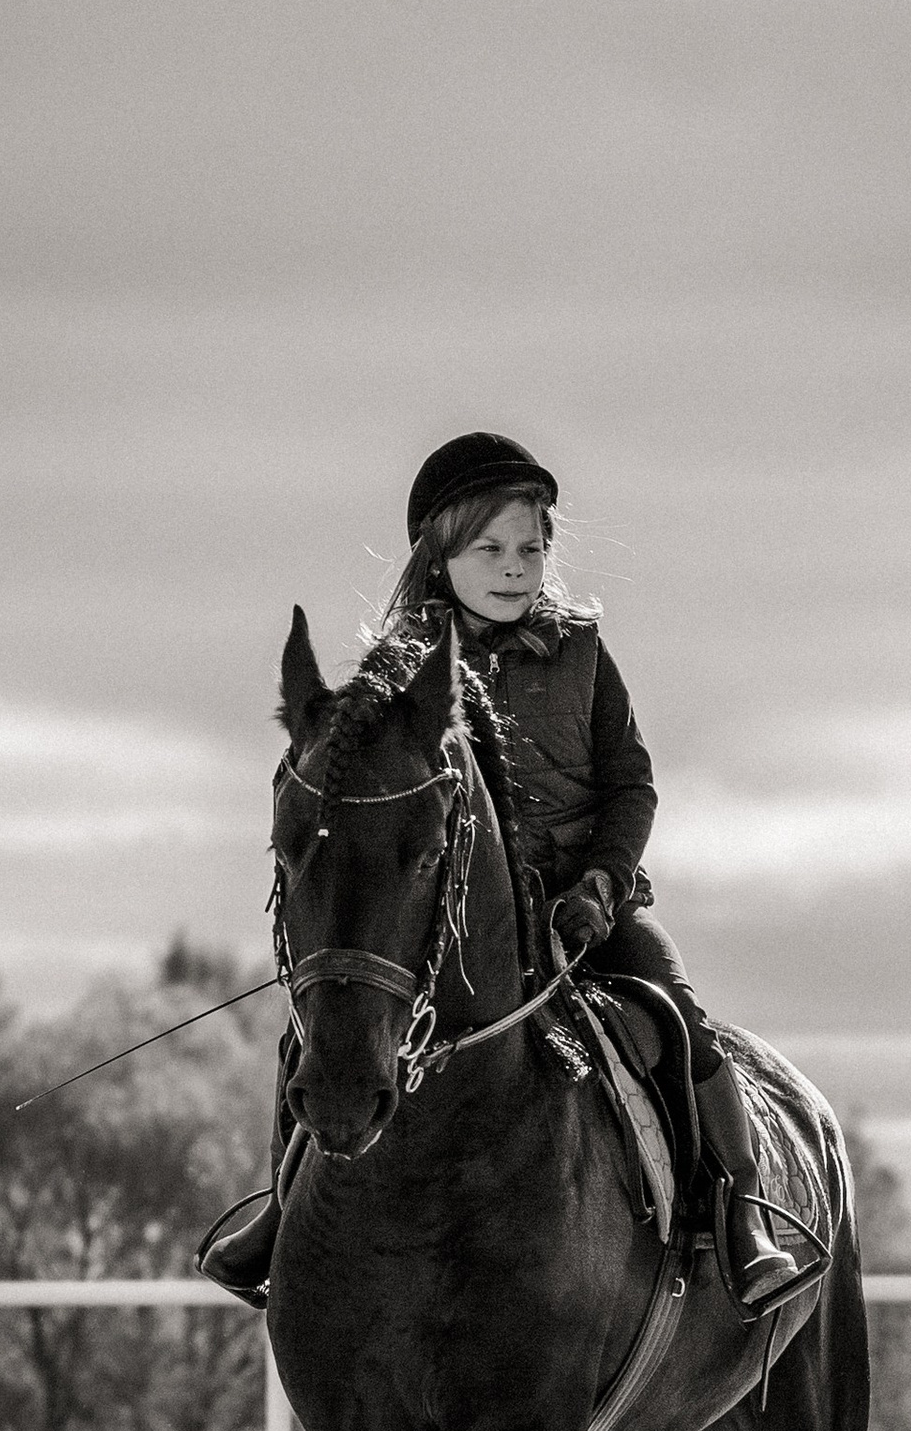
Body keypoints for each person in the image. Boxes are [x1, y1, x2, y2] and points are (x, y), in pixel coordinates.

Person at [200, 431, 808, 1315]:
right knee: (315, 1036)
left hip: (587, 912)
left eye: (530, 547)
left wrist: (601, 884)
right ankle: (281, 1216)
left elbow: (632, 785)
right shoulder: (402, 669)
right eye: (489, 549)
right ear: (438, 555)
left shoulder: (582, 653)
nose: (515, 567)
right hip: (461, 922)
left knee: (678, 1016)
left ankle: (740, 1215)